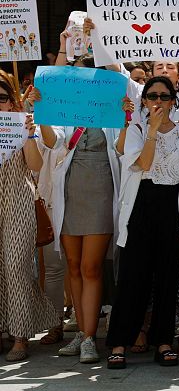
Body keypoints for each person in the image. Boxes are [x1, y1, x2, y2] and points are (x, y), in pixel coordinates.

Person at [105, 76, 179, 369]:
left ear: (174, 101)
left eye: (164, 96)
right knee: (132, 278)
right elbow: (143, 164)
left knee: (168, 278)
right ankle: (120, 342)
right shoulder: (135, 130)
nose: (157, 101)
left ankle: (164, 342)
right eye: (151, 96)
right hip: (141, 208)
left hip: (173, 208)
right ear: (144, 101)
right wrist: (150, 130)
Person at [30, 84, 131, 364]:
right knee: (73, 265)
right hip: (70, 191)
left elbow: (121, 149)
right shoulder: (67, 112)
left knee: (91, 266)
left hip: (100, 188)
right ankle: (82, 332)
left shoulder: (110, 110)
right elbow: (52, 141)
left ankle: (89, 337)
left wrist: (124, 120)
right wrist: (42, 112)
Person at [0, 71, 57, 362]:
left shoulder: (21, 124)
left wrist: (28, 133)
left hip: (18, 200)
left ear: (11, 101)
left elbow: (34, 165)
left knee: (16, 265)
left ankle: (21, 335)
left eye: (1, 98)